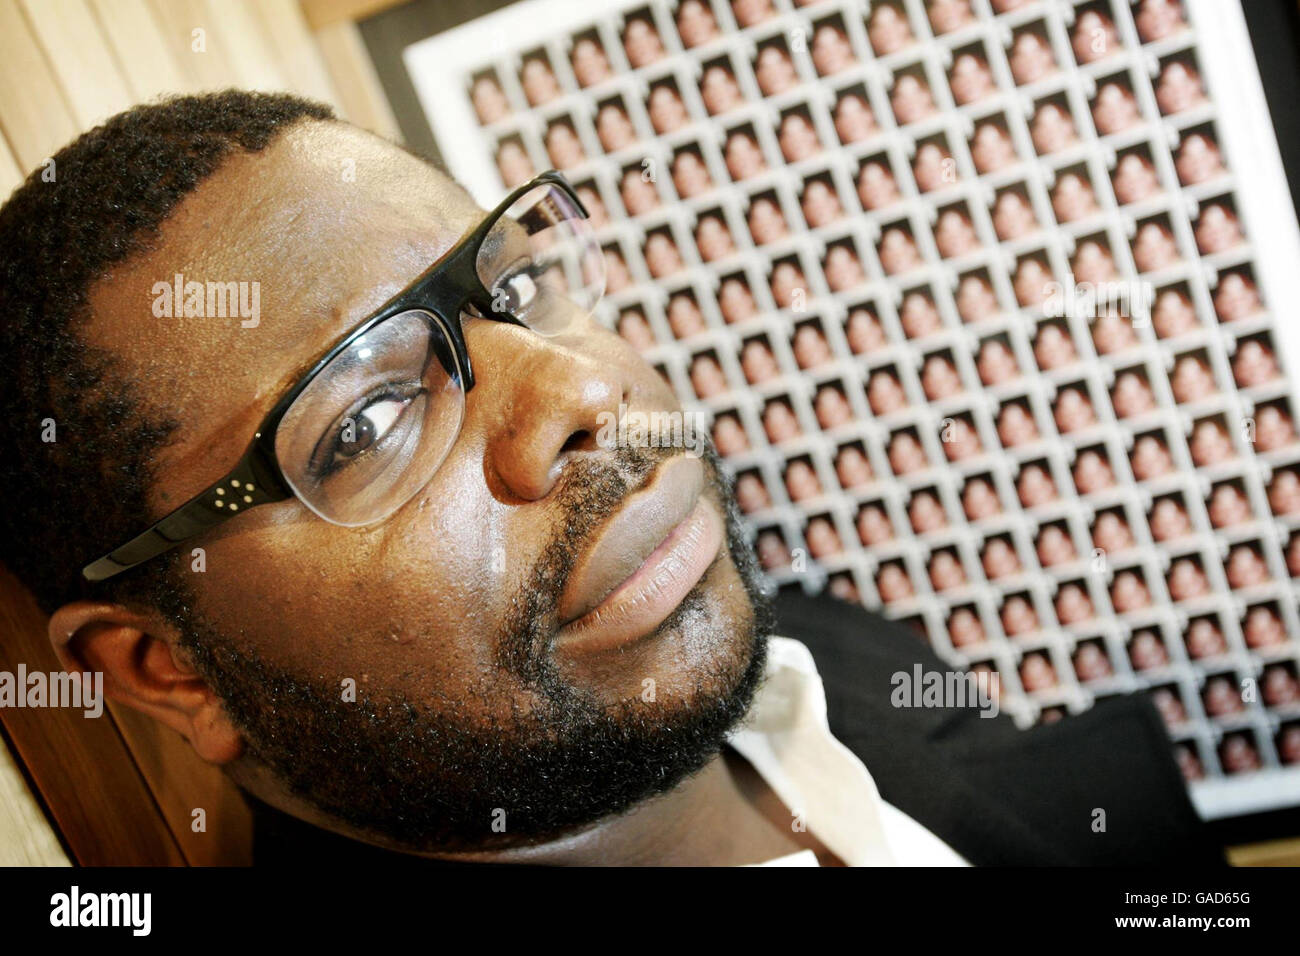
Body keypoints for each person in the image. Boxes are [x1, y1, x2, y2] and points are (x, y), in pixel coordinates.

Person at [0, 91, 1220, 867]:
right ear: (166, 669)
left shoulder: (828, 652)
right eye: (367, 418)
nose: (582, 395)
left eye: (515, 289)